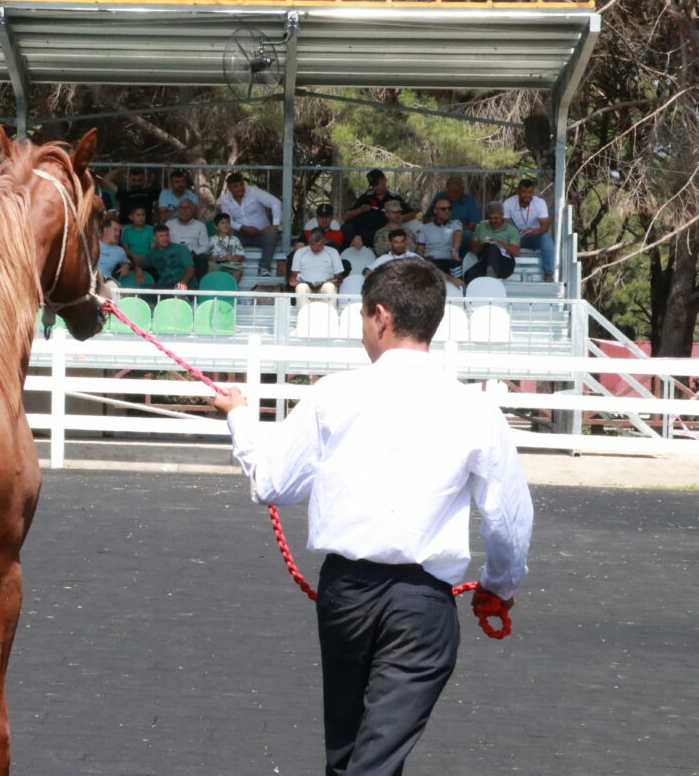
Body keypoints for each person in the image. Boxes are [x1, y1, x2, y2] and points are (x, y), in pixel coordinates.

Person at [210, 256, 533, 776]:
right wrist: (500, 584)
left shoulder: (333, 395)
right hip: (423, 604)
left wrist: (239, 416)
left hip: (346, 595)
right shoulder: (475, 410)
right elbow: (508, 521)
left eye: (362, 317)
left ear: (380, 315)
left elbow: (271, 482)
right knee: (376, 758)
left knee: (347, 753)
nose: (363, 330)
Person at [217, 172, 280, 277]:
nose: (240, 188)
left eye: (241, 184)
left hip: (262, 233)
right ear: (229, 188)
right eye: (235, 186)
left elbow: (276, 202)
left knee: (273, 234)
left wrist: (276, 224)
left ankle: (264, 268)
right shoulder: (225, 200)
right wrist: (242, 227)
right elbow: (228, 220)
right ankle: (231, 267)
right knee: (227, 235)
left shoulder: (254, 192)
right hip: (241, 234)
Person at [344, 169, 414, 249]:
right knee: (346, 228)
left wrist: (399, 218)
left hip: (379, 231)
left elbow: (412, 214)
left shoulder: (394, 198)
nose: (375, 187)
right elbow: (347, 215)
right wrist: (360, 210)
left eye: (377, 184)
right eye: (373, 185)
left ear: (385, 180)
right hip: (361, 229)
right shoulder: (366, 196)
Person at [503, 178, 554, 281]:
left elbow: (545, 226)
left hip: (534, 236)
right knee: (502, 237)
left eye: (530, 192)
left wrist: (536, 231)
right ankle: (503, 271)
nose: (527, 195)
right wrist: (515, 234)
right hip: (516, 238)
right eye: (524, 192)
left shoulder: (540, 203)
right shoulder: (509, 203)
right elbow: (504, 224)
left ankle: (548, 274)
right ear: (518, 192)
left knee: (546, 237)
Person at [465, 201, 521, 283]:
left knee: (493, 247)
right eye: (490, 218)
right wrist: (481, 245)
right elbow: (472, 247)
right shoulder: (481, 227)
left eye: (496, 218)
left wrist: (498, 242)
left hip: (505, 264)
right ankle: (490, 277)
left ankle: (491, 278)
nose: (493, 221)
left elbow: (516, 252)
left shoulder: (511, 230)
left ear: (502, 215)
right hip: (485, 262)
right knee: (468, 276)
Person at [416, 197, 464, 288]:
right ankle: (449, 279)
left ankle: (459, 293)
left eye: (449, 208)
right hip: (432, 261)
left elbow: (458, 234)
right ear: (435, 211)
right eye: (443, 209)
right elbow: (419, 251)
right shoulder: (424, 228)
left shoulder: (455, 223)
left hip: (450, 260)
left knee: (455, 264)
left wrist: (454, 251)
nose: (447, 211)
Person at [425, 176, 479, 253]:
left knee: (467, 235)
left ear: (462, 190)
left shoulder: (469, 201)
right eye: (449, 191)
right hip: (439, 227)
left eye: (455, 192)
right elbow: (426, 218)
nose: (452, 194)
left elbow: (473, 225)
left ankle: (461, 261)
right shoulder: (439, 197)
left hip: (461, 230)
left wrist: (456, 230)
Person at [137, 223, 195, 290]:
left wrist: (184, 281)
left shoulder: (181, 249)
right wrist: (138, 268)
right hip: (165, 286)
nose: (165, 238)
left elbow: (190, 269)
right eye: (161, 236)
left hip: (185, 286)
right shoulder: (152, 253)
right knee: (143, 291)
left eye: (167, 235)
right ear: (155, 238)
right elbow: (139, 264)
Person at [289, 229, 345, 298]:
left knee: (329, 287)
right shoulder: (300, 252)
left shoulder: (333, 252)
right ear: (308, 241)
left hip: (325, 286)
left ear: (325, 241)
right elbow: (294, 275)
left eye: (319, 245)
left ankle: (330, 308)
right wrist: (293, 280)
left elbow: (340, 278)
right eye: (312, 244)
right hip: (306, 285)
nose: (315, 248)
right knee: (301, 287)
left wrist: (333, 281)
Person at [165, 198, 209, 281]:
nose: (183, 211)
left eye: (187, 208)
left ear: (193, 211)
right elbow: (163, 241)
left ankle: (199, 286)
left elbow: (205, 246)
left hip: (192, 256)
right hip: (173, 255)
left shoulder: (200, 226)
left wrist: (193, 253)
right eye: (181, 208)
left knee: (202, 257)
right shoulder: (169, 224)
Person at [207, 213, 245, 284]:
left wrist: (234, 258)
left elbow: (241, 256)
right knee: (211, 266)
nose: (226, 225)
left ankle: (231, 290)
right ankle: (213, 289)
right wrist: (214, 258)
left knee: (239, 270)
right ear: (216, 226)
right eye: (222, 223)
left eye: (228, 222)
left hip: (231, 264)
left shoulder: (235, 239)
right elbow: (206, 255)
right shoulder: (211, 240)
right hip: (216, 264)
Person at [119, 205, 154, 272]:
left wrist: (145, 256)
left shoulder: (150, 229)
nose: (141, 218)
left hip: (149, 260)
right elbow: (125, 249)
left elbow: (153, 248)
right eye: (138, 215)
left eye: (143, 215)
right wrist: (133, 255)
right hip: (132, 261)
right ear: (131, 217)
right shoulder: (127, 231)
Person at [96, 215, 131, 281]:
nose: (118, 234)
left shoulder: (119, 251)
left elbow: (126, 262)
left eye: (119, 231)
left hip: (106, 283)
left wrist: (126, 267)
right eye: (115, 230)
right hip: (88, 281)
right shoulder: (93, 244)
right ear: (105, 230)